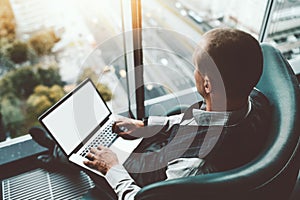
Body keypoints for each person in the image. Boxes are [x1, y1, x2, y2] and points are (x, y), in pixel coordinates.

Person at [30, 28, 271, 200]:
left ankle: (59, 154)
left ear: (207, 85)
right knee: (116, 138)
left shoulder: (194, 166)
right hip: (173, 151)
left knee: (90, 157)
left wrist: (112, 168)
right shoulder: (253, 100)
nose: (194, 72)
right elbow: (197, 120)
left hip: (147, 181)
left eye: (196, 68)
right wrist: (146, 125)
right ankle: (61, 149)